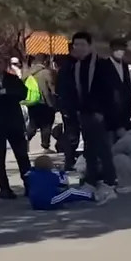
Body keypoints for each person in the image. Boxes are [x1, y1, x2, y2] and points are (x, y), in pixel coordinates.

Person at [74, 33, 128, 200]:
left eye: (82, 44)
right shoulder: (76, 66)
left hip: (100, 114)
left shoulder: (100, 65)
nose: (79, 48)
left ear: (90, 46)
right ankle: (91, 181)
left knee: (104, 149)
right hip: (84, 114)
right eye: (76, 45)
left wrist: (103, 113)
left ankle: (109, 182)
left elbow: (110, 92)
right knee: (89, 149)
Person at [0, 49, 33, 199]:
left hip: (14, 122)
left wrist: (5, 92)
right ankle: (4, 188)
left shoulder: (12, 79)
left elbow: (23, 93)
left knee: (22, 156)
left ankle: (29, 185)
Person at [57, 38, 87, 171]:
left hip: (78, 105)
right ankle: (69, 160)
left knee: (76, 133)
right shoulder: (69, 66)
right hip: (71, 106)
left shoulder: (79, 64)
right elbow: (64, 88)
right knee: (72, 133)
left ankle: (72, 158)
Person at [26, 155, 96, 210]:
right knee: (70, 192)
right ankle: (92, 196)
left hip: (35, 204)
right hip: (49, 201)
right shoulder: (52, 175)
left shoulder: (31, 174)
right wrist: (61, 172)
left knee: (56, 192)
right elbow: (64, 183)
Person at [24, 54, 57, 153]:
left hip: (32, 102)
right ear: (45, 61)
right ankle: (45, 146)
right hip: (45, 102)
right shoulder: (46, 73)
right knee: (46, 125)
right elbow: (52, 87)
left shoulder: (28, 73)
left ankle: (24, 141)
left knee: (32, 124)